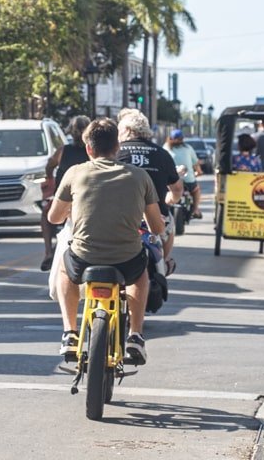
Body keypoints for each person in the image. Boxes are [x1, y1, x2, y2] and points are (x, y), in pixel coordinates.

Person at [48, 118, 165, 365]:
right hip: (127, 260)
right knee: (141, 274)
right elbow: (157, 227)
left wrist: (71, 210)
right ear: (117, 147)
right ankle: (135, 335)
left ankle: (70, 333)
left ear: (88, 148)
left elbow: (53, 217)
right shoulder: (140, 176)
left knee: (64, 269)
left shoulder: (74, 173)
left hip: (83, 258)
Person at [116, 109, 181, 263]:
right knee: (169, 222)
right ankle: (164, 261)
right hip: (156, 219)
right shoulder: (162, 154)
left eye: (119, 130)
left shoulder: (115, 153)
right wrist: (171, 200)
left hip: (121, 219)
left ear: (127, 130)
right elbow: (177, 189)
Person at [40, 115, 90, 272]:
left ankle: (48, 251)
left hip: (64, 200)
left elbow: (49, 165)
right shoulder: (92, 151)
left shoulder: (63, 151)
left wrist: (49, 178)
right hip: (87, 198)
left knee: (46, 215)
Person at [166, 128, 203, 219]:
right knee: (196, 190)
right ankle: (195, 210)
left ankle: (164, 209)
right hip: (188, 180)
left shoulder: (165, 148)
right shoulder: (188, 148)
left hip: (170, 181)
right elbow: (196, 164)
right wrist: (199, 172)